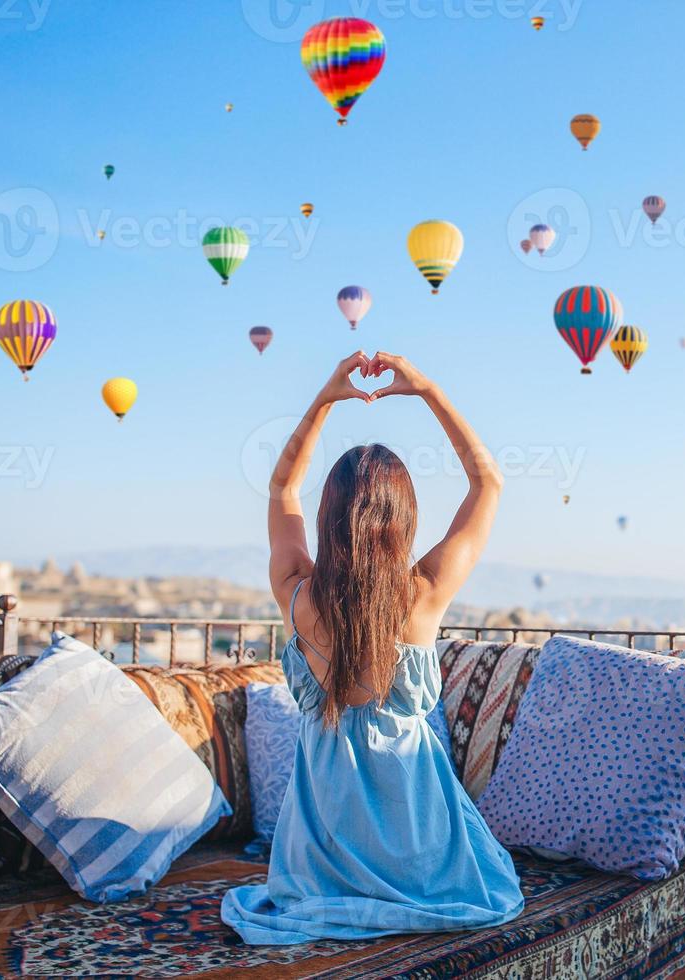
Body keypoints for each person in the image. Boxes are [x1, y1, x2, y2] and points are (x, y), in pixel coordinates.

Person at [221, 351, 524, 944]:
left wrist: (326, 398)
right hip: (418, 844)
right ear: (403, 521)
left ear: (328, 517)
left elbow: (283, 485)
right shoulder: (424, 595)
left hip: (318, 853)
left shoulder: (297, 596)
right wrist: (427, 388)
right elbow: (488, 482)